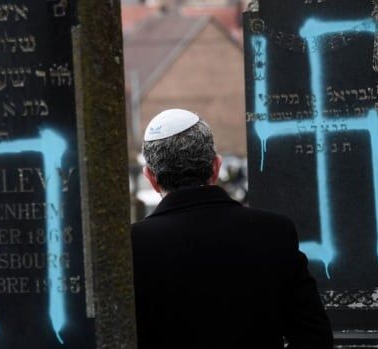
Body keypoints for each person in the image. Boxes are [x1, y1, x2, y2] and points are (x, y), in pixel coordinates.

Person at [131, 109, 333, 348]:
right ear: (216, 166)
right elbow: (314, 336)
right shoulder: (274, 232)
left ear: (151, 178)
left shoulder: (132, 246)